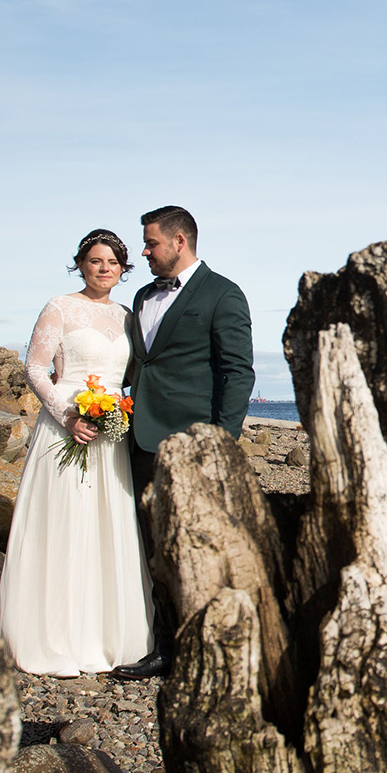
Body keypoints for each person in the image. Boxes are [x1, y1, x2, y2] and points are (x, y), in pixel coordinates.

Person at [0, 230, 154, 676]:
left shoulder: (128, 316)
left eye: (112, 263)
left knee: (106, 524)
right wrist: (68, 415)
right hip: (65, 424)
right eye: (95, 261)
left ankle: (105, 636)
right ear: (80, 265)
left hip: (109, 431)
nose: (104, 269)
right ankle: (52, 637)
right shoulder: (59, 307)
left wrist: (117, 412)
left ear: (124, 269)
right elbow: (34, 367)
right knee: (62, 522)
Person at [110, 204, 256, 680]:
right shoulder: (141, 297)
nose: (144, 253)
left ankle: (206, 646)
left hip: (193, 442)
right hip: (138, 437)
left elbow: (238, 372)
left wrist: (222, 441)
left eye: (151, 243)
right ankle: (162, 644)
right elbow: (140, 366)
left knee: (193, 545)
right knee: (149, 543)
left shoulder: (222, 294)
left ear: (180, 241)